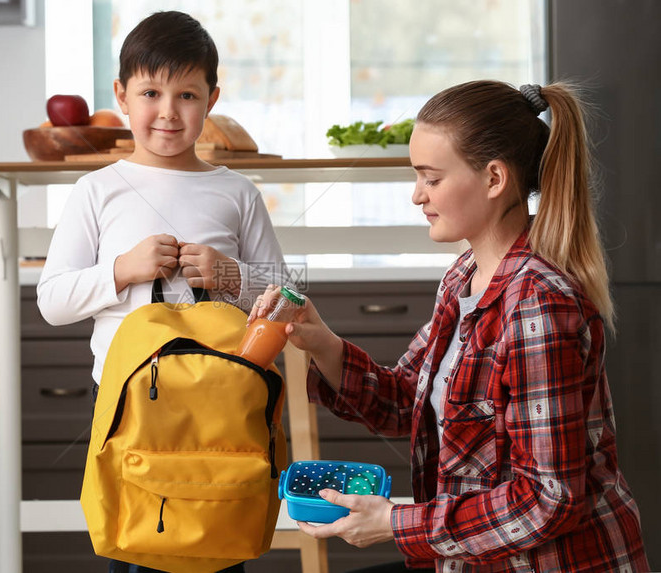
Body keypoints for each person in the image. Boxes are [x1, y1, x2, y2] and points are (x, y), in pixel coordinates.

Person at [250, 80, 649, 572]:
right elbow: (407, 406)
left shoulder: (537, 305)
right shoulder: (463, 278)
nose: (417, 195)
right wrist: (324, 345)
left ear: (494, 178)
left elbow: (549, 499)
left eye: (431, 178)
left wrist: (396, 522)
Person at [37, 10, 288, 573]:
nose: (169, 112)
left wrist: (230, 277)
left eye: (188, 95)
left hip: (221, 402)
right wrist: (121, 270)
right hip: (129, 401)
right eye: (151, 92)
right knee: (135, 532)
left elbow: (286, 296)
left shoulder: (236, 192)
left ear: (212, 98)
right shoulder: (96, 191)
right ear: (123, 96)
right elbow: (52, 300)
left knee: (216, 526)